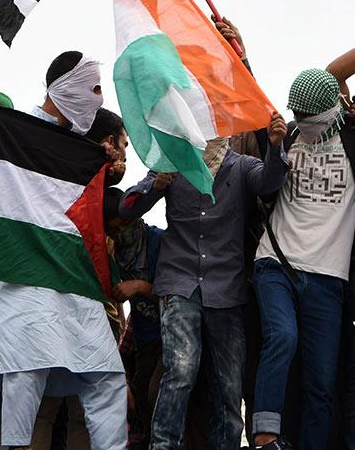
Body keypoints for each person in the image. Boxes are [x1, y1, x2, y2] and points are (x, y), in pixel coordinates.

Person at [0, 51, 128, 450]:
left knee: (107, 375)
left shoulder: (80, 148)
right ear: (66, 87)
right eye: (93, 88)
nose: (99, 99)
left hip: (73, 275)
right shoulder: (12, 130)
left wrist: (101, 168)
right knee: (26, 370)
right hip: (22, 274)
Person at [119, 111, 288, 450]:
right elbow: (127, 208)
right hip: (179, 283)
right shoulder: (173, 161)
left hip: (226, 288)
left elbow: (270, 182)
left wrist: (274, 146)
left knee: (228, 385)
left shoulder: (240, 165)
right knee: (180, 369)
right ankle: (163, 445)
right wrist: (156, 183)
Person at [252, 54, 355, 450]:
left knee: (322, 384)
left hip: (329, 277)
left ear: (335, 109)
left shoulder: (351, 136)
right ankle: (265, 436)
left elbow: (330, 81)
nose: (304, 123)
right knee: (282, 336)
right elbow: (328, 75)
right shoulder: (290, 135)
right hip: (276, 263)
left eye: (311, 118)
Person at [30, 107, 128, 450]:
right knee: (72, 408)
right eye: (125, 146)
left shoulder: (62, 178)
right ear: (108, 143)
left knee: (56, 408)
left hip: (66, 305)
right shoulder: (85, 187)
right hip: (78, 306)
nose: (126, 156)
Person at [105, 186, 163, 450]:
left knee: (157, 393)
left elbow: (175, 289)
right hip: (143, 339)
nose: (120, 234)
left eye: (124, 225)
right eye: (113, 231)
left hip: (169, 335)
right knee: (140, 391)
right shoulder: (115, 255)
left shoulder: (157, 241)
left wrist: (138, 286)